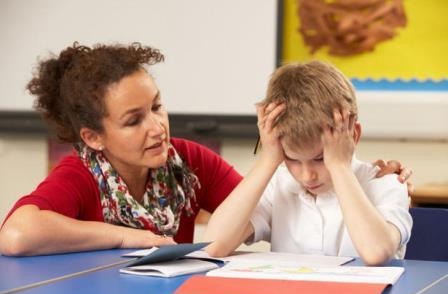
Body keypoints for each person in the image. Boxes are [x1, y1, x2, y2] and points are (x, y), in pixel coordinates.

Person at [0, 43, 410, 257]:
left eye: (157, 107)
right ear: (94, 137)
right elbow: (17, 233)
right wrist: (130, 237)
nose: (157, 127)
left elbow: (239, 213)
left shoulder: (188, 161)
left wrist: (342, 168)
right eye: (133, 120)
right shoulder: (81, 174)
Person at [204, 61, 412, 266]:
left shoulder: (386, 183)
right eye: (292, 159)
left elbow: (376, 253)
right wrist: (268, 159)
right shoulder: (278, 186)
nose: (307, 176)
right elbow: (212, 246)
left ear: (352, 135)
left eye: (320, 158)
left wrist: (338, 166)